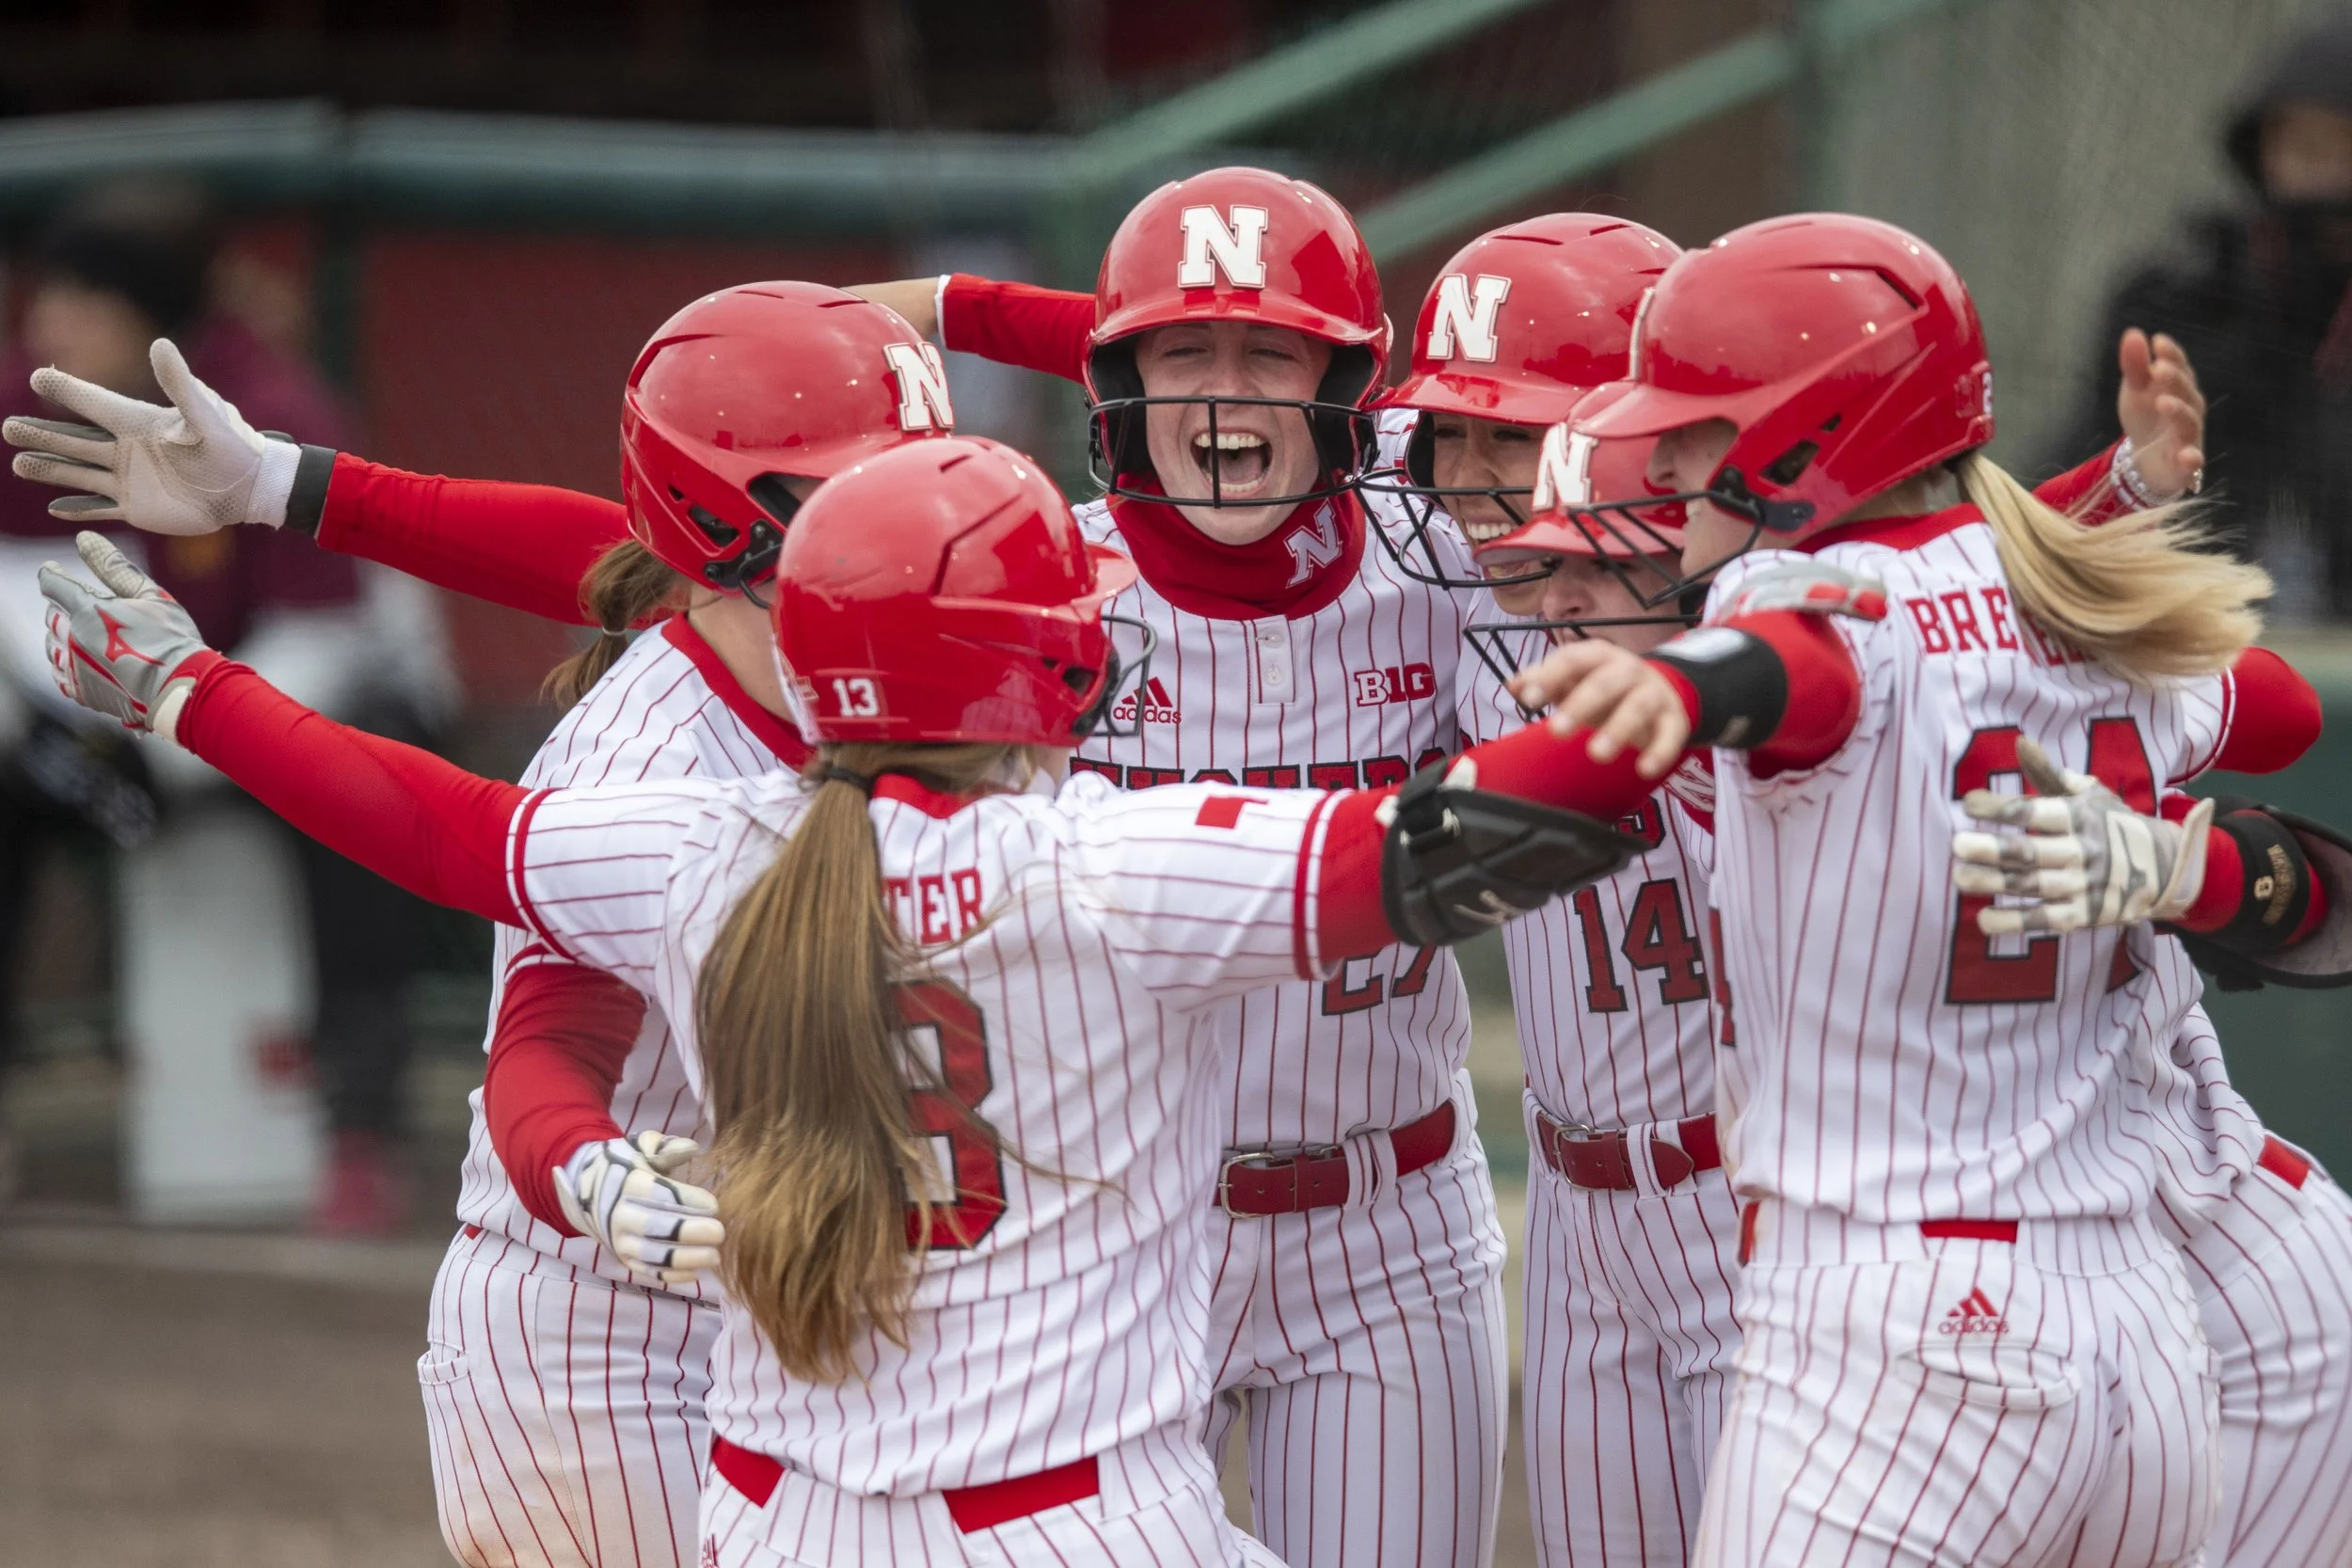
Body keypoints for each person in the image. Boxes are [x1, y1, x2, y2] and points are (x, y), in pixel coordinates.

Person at [35, 433, 1674, 1568]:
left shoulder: (712, 842)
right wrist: (1686, 664)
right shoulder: (1104, 863)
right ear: (1047, 656)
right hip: (1072, 1527)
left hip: (775, 1520)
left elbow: (441, 824)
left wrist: (192, 687)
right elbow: (1463, 851)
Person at [8, 280, 957, 1568]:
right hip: (617, 1331)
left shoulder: (909, 635)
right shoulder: (650, 757)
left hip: (816, 1299)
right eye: (848, 493)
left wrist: (287, 484)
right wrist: (579, 1162)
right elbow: (539, 1026)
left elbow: (613, 560)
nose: (911, 526)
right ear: (731, 523)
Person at [1507, 213, 2344, 1567]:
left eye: (1698, 423)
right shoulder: (2070, 599)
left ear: (1813, 424)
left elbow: (1806, 667)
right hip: (2138, 1331)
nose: (1669, 459)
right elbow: (2281, 708)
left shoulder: (1809, 595)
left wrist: (1672, 683)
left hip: (1896, 1325)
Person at [858, 167, 1513, 1568]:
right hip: (1117, 1233)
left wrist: (971, 304)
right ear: (1118, 379)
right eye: (1181, 354)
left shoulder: (1441, 559)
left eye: (1271, 354)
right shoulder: (1036, 577)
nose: (1224, 399)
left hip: (1387, 1222)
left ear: (1345, 384)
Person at [0, 181, 449, 1232]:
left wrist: (183, 730)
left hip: (282, 710)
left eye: (82, 300)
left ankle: (358, 1129)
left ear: (153, 322)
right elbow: (19, 580)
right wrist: (93, 728)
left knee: (364, 792)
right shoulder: (27, 398)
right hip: (114, 716)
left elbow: (327, 639)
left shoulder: (270, 410)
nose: (46, 324)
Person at [2058, 8, 2352, 620]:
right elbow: (2081, 477)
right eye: (2302, 146)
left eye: (2341, 147)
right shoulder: (2185, 293)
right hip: (2198, 630)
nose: (2320, 173)